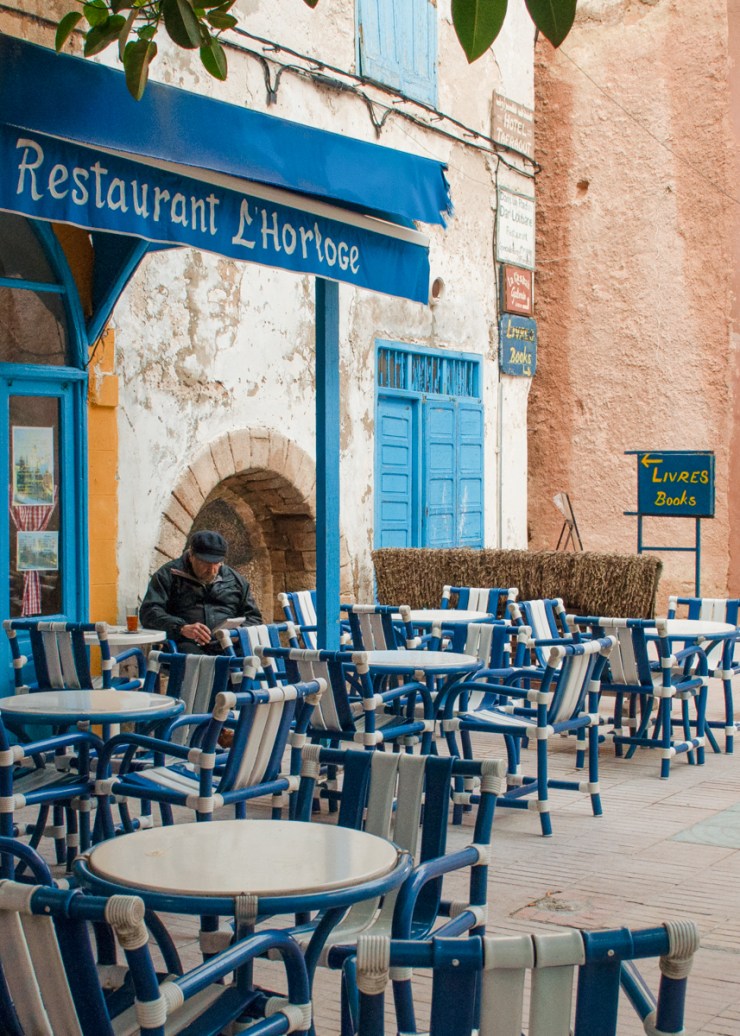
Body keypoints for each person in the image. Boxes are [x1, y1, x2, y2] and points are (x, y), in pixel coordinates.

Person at [139, 530, 262, 655]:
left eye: (217, 564)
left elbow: (254, 618)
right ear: (191, 555)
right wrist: (181, 628)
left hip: (228, 643)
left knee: (251, 657)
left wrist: (237, 632)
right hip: (185, 643)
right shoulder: (169, 575)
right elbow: (149, 612)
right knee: (191, 657)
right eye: (205, 563)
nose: (212, 570)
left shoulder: (236, 580)